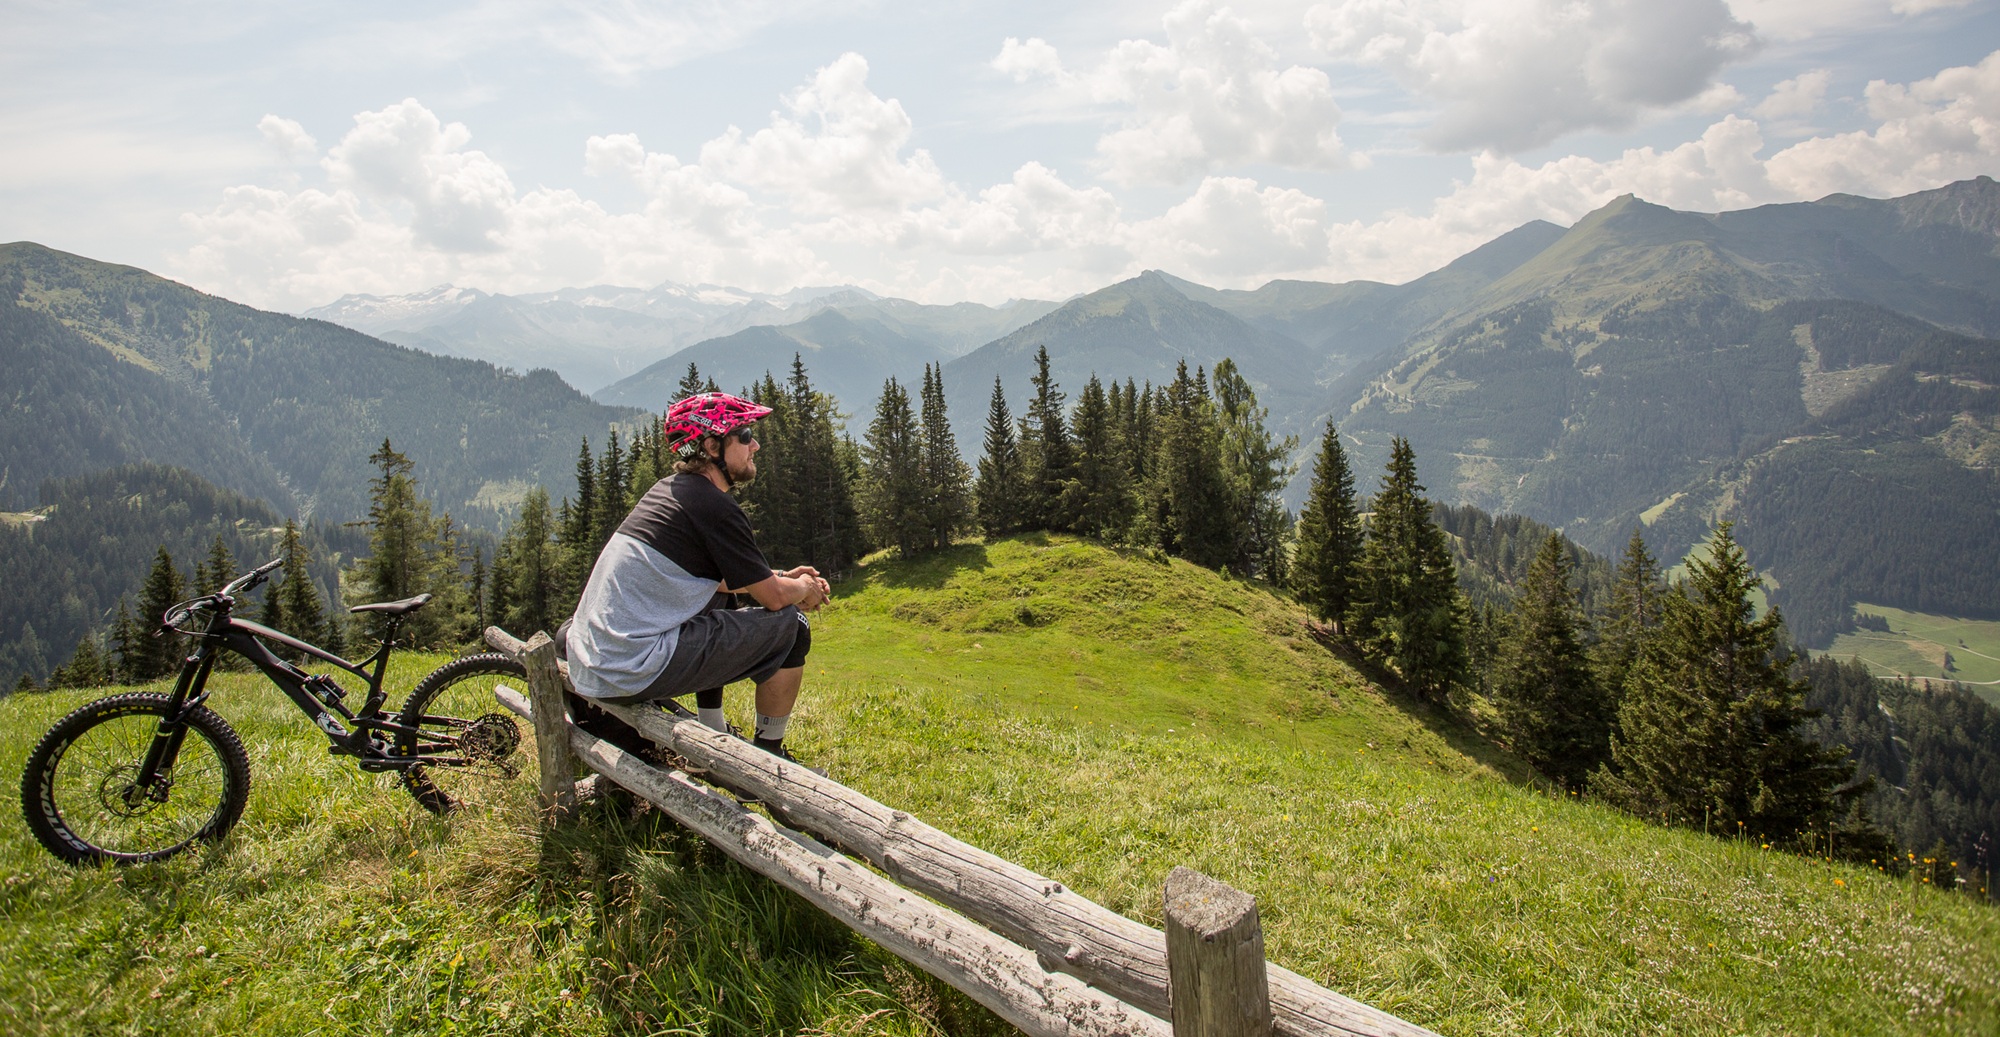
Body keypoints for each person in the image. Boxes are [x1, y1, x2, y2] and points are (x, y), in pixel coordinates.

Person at [562, 391, 831, 762]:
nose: (756, 444)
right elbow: (771, 598)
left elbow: (720, 581)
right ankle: (768, 760)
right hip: (629, 668)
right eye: (745, 433)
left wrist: (784, 576)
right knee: (793, 624)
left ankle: (712, 727)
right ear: (712, 445)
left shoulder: (670, 492)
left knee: (718, 596)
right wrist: (804, 587)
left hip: (598, 658)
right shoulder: (715, 505)